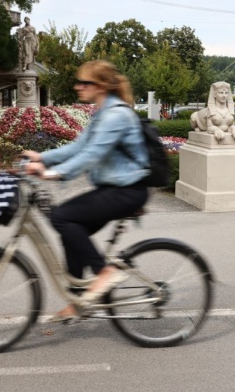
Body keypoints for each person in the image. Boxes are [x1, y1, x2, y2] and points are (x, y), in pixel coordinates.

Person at [22, 60, 149, 322]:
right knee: (70, 230)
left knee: (62, 217)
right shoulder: (101, 113)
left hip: (127, 190)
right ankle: (77, 301)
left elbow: (91, 155)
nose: (78, 86)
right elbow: (76, 148)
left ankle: (105, 273)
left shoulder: (117, 115)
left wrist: (52, 173)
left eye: (85, 82)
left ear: (101, 86)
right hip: (112, 189)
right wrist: (42, 158)